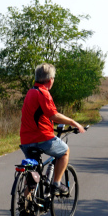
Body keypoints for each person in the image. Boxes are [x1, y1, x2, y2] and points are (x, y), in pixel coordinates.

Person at [20, 63, 86, 195]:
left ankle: (25, 206)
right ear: (50, 80)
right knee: (65, 152)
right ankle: (56, 184)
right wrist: (74, 123)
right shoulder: (43, 93)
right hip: (42, 138)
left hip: (26, 140)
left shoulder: (30, 92)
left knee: (34, 173)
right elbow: (54, 115)